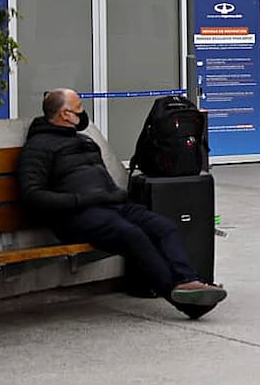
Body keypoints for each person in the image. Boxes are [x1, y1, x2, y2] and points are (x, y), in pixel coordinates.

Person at [17, 88, 227, 315]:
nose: (83, 113)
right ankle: (185, 301)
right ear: (65, 114)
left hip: (111, 206)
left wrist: (115, 194)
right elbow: (32, 196)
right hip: (76, 216)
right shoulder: (38, 147)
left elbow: (100, 179)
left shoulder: (84, 141)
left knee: (164, 227)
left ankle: (188, 280)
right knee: (132, 235)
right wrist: (81, 200)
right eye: (79, 109)